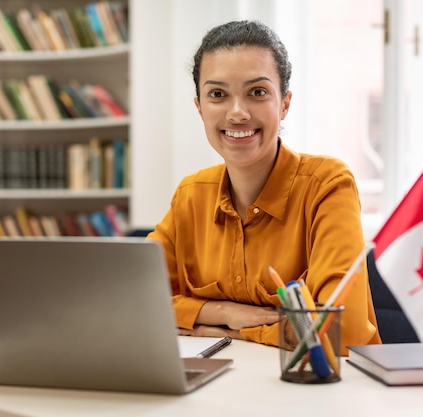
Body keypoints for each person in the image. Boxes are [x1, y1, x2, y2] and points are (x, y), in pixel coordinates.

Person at [147, 20, 381, 354]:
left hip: (319, 392)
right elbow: (140, 302)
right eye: (217, 95)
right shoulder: (190, 195)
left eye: (257, 92)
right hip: (220, 394)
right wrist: (225, 312)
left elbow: (341, 330)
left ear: (284, 103)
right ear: (199, 107)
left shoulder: (328, 185)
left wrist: (231, 331)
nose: (237, 113)